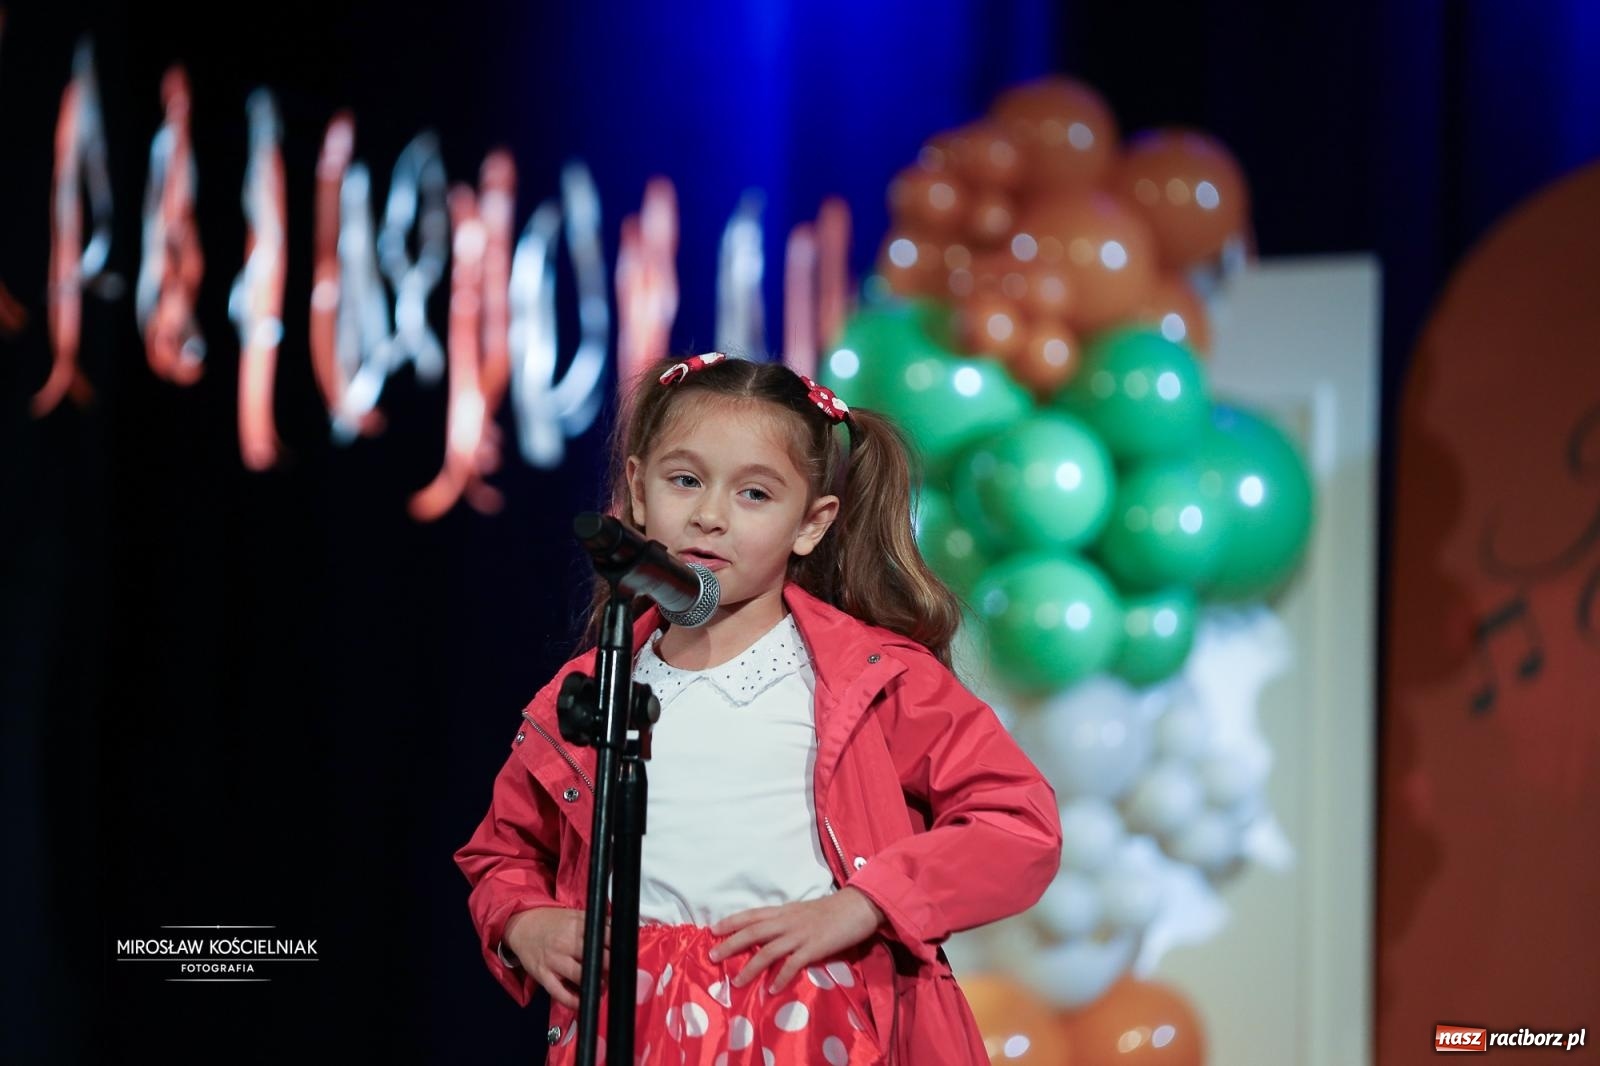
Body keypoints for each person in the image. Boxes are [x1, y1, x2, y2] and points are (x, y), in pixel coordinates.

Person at [454, 351, 1062, 1064]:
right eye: (685, 481)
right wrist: (524, 920)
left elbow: (1018, 825)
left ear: (811, 523)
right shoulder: (590, 694)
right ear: (638, 492)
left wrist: (865, 905)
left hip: (818, 1018)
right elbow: (502, 852)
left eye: (754, 495)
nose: (710, 516)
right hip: (638, 1022)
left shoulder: (877, 679)